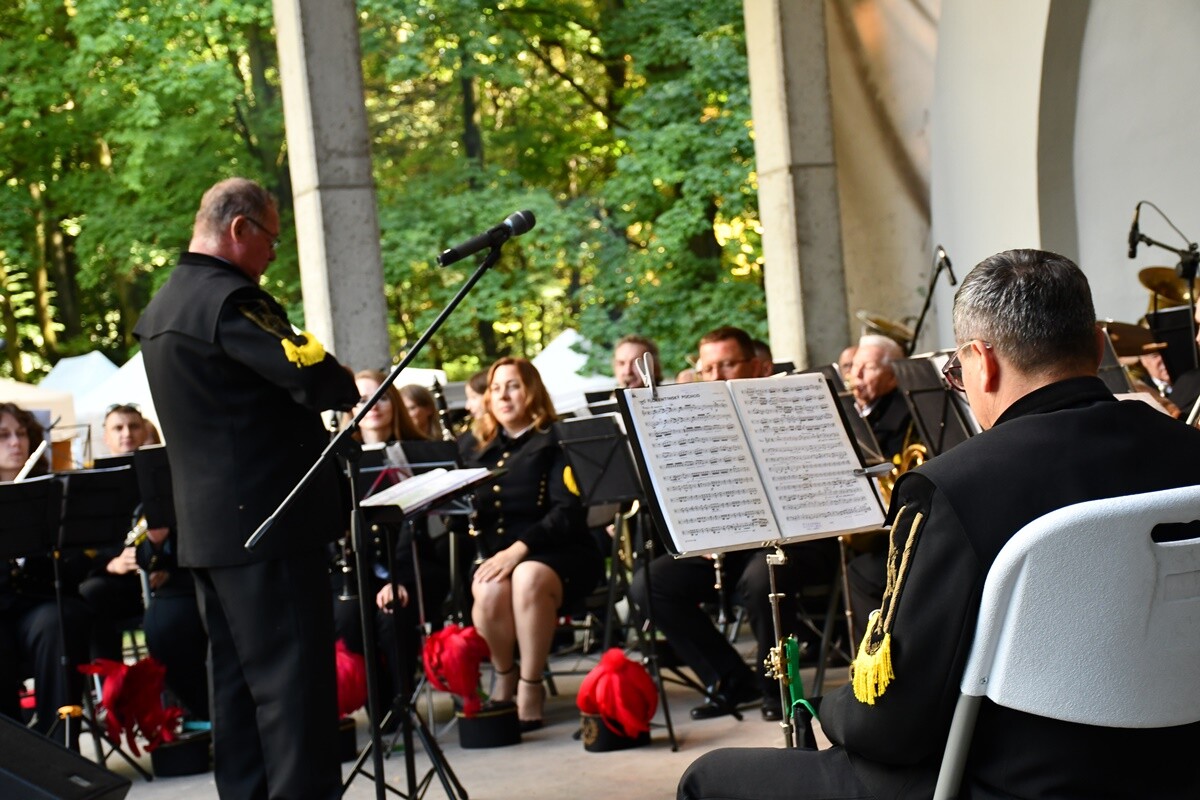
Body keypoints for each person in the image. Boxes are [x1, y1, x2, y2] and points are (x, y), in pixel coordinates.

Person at [677, 249, 1200, 800]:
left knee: (708, 779)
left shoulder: (956, 487)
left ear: (982, 361)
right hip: (1180, 770)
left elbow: (898, 727)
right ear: (1098, 347)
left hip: (1009, 782)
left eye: (958, 371)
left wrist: (831, 708)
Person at [133, 177, 359, 800]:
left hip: (211, 532)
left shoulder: (163, 308)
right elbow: (314, 378)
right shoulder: (229, 302)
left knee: (235, 692)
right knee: (294, 694)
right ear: (239, 230)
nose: (273, 255)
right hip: (270, 524)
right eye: (271, 239)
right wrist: (341, 379)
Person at [629, 326, 838, 722]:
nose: (717, 377)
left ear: (759, 367)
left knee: (763, 579)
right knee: (650, 585)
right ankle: (729, 678)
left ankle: (777, 687)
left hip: (797, 541)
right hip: (729, 544)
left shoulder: (794, 410)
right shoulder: (694, 423)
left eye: (726, 364)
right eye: (707, 369)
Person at [457, 357, 604, 731]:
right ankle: (505, 673)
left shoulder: (556, 439)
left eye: (514, 386)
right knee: (487, 589)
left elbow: (567, 512)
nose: (503, 395)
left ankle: (531, 683)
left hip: (560, 551)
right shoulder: (472, 447)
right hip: (499, 556)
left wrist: (518, 550)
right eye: (495, 388)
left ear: (532, 391)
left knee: (527, 577)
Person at [334, 369, 447, 729]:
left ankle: (400, 708)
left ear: (394, 403)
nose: (373, 406)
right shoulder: (337, 459)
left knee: (392, 614)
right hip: (358, 572)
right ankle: (378, 710)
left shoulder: (417, 454)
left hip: (413, 567)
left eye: (381, 397)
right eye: (363, 400)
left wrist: (398, 579)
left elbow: (422, 527)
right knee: (350, 617)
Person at [0, 403, 92, 745]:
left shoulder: (54, 491)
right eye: (4, 435)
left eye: (21, 433)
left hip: (40, 605)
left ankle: (61, 745)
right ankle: (12, 756)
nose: (15, 443)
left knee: (60, 621)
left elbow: (77, 567)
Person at [78, 404, 153, 666]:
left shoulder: (162, 472)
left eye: (133, 426)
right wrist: (112, 563)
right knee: (91, 593)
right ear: (106, 437)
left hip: (162, 576)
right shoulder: (91, 485)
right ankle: (112, 687)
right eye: (118, 428)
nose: (126, 434)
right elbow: (87, 541)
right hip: (119, 581)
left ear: (144, 431)